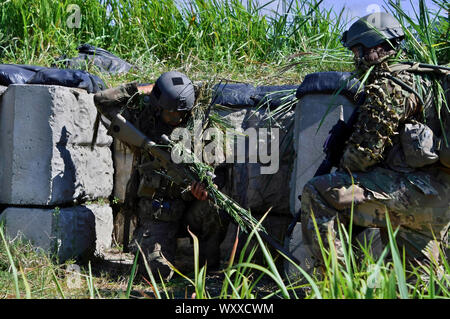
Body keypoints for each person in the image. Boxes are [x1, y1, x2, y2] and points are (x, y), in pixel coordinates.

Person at [300, 12, 450, 267]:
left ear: (377, 48)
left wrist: (341, 156)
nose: (355, 59)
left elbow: (361, 156)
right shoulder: (426, 79)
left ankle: (335, 288)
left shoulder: (390, 85)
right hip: (438, 200)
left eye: (358, 51)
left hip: (413, 196)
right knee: (417, 286)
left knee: (316, 193)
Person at [93, 71, 228, 281]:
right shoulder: (144, 119)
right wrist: (147, 90)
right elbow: (102, 100)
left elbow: (218, 170)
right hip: (159, 212)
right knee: (156, 273)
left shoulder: (201, 125)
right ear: (157, 107)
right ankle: (158, 249)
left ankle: (207, 268)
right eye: (170, 113)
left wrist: (206, 189)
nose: (177, 118)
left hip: (189, 208)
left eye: (181, 113)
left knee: (215, 207)